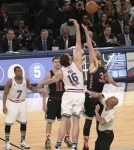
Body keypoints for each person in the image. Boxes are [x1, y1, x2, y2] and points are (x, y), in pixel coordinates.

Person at [36, 19, 84, 150]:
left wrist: (40, 83)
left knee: (64, 121)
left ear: (61, 63)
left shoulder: (60, 73)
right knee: (75, 121)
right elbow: (79, 42)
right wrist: (77, 27)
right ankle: (74, 145)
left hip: (67, 95)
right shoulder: (77, 63)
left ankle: (58, 144)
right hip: (79, 93)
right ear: (70, 59)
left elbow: (50, 81)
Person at [81, 24, 122, 150]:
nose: (97, 52)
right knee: (88, 120)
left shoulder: (103, 67)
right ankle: (85, 144)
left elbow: (108, 77)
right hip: (90, 95)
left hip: (99, 95)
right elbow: (91, 48)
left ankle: (100, 138)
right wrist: (87, 34)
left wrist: (116, 84)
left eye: (98, 51)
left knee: (100, 119)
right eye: (95, 51)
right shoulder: (93, 64)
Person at [2, 66, 43, 150]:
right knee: (8, 123)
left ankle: (22, 141)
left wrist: (38, 91)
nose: (20, 72)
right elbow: (5, 94)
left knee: (24, 123)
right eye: (18, 71)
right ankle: (7, 143)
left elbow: (30, 87)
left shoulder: (26, 80)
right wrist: (4, 106)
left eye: (21, 71)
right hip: (12, 103)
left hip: (22, 103)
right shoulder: (10, 82)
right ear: (14, 72)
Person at [42, 57, 72, 149]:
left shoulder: (64, 72)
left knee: (68, 120)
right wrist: (44, 103)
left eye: (59, 62)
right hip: (52, 99)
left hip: (64, 100)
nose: (57, 63)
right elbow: (45, 88)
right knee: (49, 121)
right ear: (52, 63)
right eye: (55, 62)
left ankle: (67, 137)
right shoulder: (49, 74)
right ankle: (47, 139)